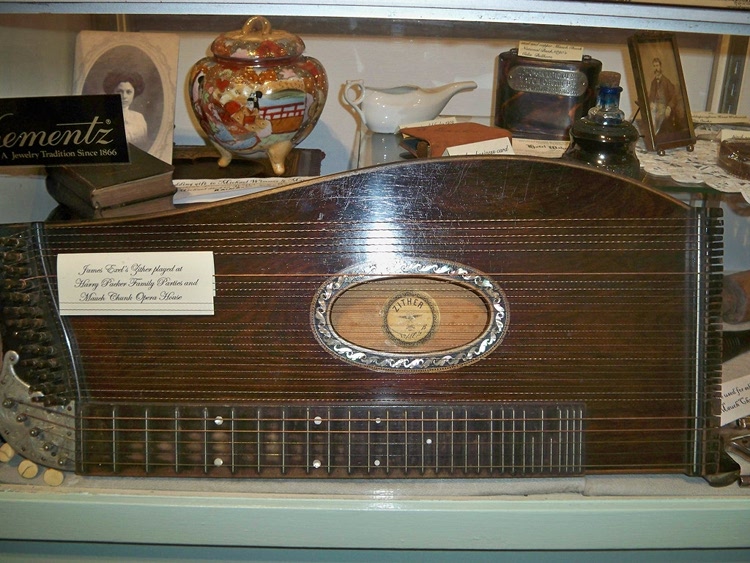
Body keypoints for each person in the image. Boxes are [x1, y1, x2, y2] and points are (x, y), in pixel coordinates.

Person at [103, 71, 149, 150]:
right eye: (120, 91)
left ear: (134, 93)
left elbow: (144, 147)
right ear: (112, 92)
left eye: (128, 92)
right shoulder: (103, 116)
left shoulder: (139, 118)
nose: (124, 96)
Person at [647, 57, 682, 138]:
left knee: (658, 116)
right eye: (654, 66)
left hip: (664, 106)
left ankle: (655, 136)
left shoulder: (667, 82)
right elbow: (651, 96)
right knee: (649, 115)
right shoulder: (653, 82)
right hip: (655, 106)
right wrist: (651, 102)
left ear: (660, 67)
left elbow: (674, 97)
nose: (656, 68)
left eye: (657, 65)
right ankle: (652, 135)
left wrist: (669, 107)